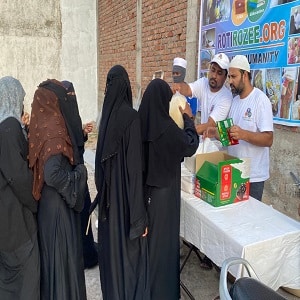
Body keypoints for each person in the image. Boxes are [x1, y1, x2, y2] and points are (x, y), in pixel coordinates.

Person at [91, 65, 149, 300]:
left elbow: (98, 167)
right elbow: (134, 172)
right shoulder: (130, 117)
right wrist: (139, 218)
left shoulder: (106, 117)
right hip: (125, 205)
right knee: (129, 260)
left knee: (111, 259)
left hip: (108, 205)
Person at [138, 78, 199, 299]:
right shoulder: (166, 128)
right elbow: (190, 144)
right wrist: (188, 118)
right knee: (164, 247)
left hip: (148, 195)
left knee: (152, 247)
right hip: (165, 195)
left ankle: (150, 290)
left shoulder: (141, 124)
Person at [28, 79, 87, 300]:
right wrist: (79, 175)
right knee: (63, 264)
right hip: (58, 209)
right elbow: (53, 173)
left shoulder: (41, 123)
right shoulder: (53, 127)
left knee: (56, 266)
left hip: (48, 207)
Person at [206, 55, 274, 201]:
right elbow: (231, 137)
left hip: (253, 176)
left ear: (245, 75)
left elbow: (268, 139)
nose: (230, 81)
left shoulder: (260, 100)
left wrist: (244, 134)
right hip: (234, 171)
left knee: (250, 221)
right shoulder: (235, 101)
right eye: (229, 76)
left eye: (233, 77)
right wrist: (215, 132)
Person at [0, 76, 40, 300]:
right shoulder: (9, 127)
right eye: (21, 98)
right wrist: (36, 202)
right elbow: (19, 177)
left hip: (5, 222)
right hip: (17, 224)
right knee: (27, 280)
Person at [61, 80, 98, 270]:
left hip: (80, 175)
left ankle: (87, 254)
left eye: (73, 95)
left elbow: (77, 143)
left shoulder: (72, 115)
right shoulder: (58, 118)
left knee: (84, 215)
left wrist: (82, 132)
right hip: (70, 177)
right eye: (68, 95)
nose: (71, 99)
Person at [173, 52, 232, 135]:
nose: (214, 76)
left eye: (219, 73)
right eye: (213, 70)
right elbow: (188, 90)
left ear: (225, 77)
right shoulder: (203, 83)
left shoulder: (226, 97)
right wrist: (178, 85)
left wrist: (183, 135)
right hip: (203, 141)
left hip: (217, 145)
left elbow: (210, 125)